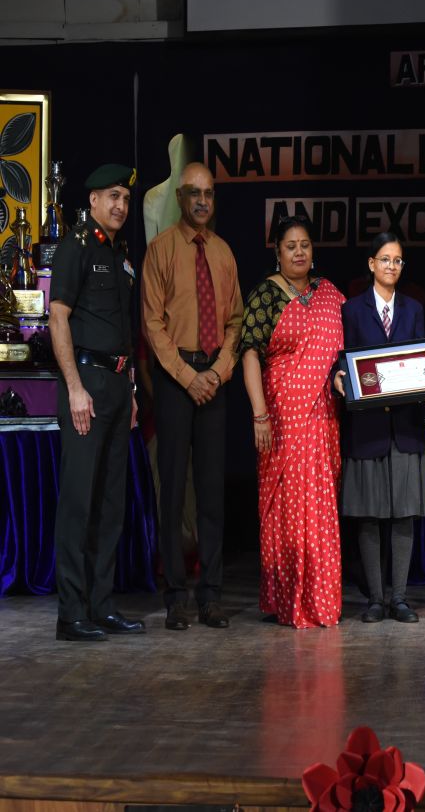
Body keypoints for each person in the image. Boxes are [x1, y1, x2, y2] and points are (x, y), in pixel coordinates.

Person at [142, 162, 244, 631]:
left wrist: (217, 372)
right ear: (181, 198)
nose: (203, 201)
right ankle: (175, 597)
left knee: (210, 491)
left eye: (209, 194)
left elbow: (235, 322)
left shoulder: (223, 253)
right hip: (175, 377)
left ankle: (211, 595)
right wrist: (188, 377)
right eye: (194, 193)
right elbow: (152, 324)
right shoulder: (161, 250)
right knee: (172, 489)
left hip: (214, 377)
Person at [48, 163, 145, 641]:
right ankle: (72, 613)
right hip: (85, 383)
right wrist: (74, 388)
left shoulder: (120, 254)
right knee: (79, 503)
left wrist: (131, 392)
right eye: (112, 196)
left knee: (109, 505)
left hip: (117, 386)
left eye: (125, 198)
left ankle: (101, 605)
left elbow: (123, 331)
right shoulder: (76, 246)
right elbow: (58, 317)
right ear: (92, 200)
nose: (120, 206)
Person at [240, 215, 346, 628]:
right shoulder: (266, 295)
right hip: (281, 416)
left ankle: (319, 599)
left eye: (305, 245)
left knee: (318, 503)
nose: (299, 252)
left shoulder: (328, 294)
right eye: (290, 246)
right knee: (285, 506)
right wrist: (259, 414)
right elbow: (250, 354)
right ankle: (287, 598)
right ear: (278, 252)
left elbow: (341, 356)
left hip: (321, 415)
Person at [333, 233, 425, 623]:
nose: (392, 266)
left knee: (404, 514)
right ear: (371, 264)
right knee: (370, 515)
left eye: (398, 260)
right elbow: (341, 359)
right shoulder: (351, 311)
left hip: (405, 428)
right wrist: (338, 375)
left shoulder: (414, 309)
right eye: (385, 259)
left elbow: (422, 362)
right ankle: (376, 599)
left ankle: (400, 598)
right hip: (368, 429)